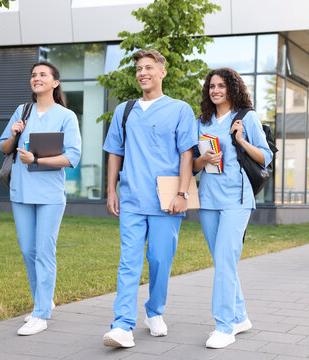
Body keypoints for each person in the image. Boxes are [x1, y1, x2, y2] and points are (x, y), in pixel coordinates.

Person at [102, 49, 197, 348]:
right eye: (139, 69)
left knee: (159, 260)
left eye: (149, 68)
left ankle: (154, 311)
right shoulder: (124, 110)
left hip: (166, 201)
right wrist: (111, 190)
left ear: (162, 72)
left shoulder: (180, 109)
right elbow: (115, 152)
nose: (143, 73)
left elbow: (187, 154)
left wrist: (182, 193)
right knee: (128, 262)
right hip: (131, 198)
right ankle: (122, 325)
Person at [0, 61, 81, 336]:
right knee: (28, 251)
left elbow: (72, 157)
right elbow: (4, 148)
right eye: (33, 75)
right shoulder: (22, 111)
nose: (37, 78)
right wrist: (13, 135)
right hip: (21, 192)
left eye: (43, 75)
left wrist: (37, 158)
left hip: (49, 195)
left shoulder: (66, 116)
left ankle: (41, 313)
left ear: (55, 82)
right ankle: (43, 301)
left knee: (45, 251)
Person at [193, 68, 273, 349]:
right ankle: (240, 317)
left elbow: (266, 157)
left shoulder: (246, 117)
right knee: (222, 261)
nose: (216, 90)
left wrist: (240, 140)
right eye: (212, 86)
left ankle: (224, 326)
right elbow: (191, 164)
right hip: (208, 200)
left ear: (233, 89)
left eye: (222, 86)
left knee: (225, 260)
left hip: (237, 200)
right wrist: (203, 160)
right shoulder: (201, 122)